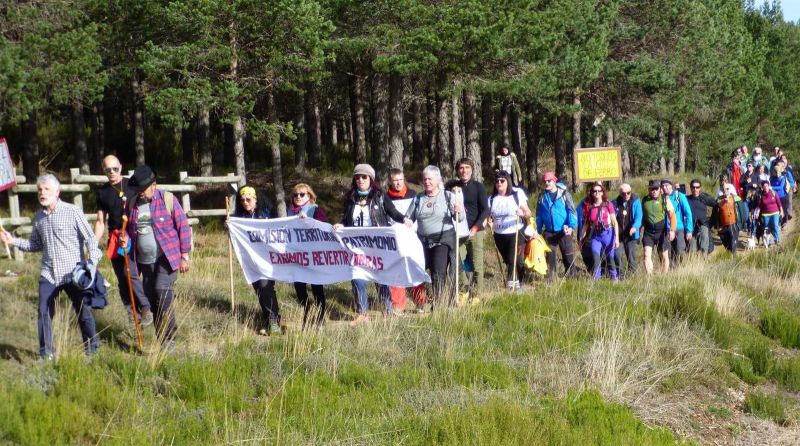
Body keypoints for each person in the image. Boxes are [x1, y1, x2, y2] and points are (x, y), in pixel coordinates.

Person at [1, 175, 102, 360]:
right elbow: (35, 244)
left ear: (57, 192)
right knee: (43, 312)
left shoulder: (72, 211)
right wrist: (12, 241)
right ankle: (46, 354)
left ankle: (92, 349)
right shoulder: (39, 217)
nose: (42, 193)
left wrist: (92, 263)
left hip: (74, 273)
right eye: (40, 189)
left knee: (83, 311)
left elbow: (90, 238)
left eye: (46, 189)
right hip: (49, 273)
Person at [120, 165, 191, 348]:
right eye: (137, 190)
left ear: (153, 185)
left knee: (162, 291)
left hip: (166, 257)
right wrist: (125, 239)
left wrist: (185, 255)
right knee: (152, 299)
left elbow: (183, 226)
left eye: (142, 189)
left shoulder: (167, 199)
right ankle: (163, 340)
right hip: (144, 261)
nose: (140, 193)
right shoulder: (132, 204)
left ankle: (169, 340)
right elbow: (129, 230)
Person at [335, 164, 411, 326]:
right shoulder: (350, 198)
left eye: (364, 177)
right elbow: (346, 218)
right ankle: (362, 313)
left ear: (371, 178)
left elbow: (392, 212)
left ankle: (387, 310)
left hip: (376, 245)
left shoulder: (380, 195)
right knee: (357, 278)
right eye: (357, 177)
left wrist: (404, 219)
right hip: (357, 246)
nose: (360, 180)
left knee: (380, 277)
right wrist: (340, 225)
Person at [93, 155, 153, 327]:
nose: (111, 172)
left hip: (133, 234)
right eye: (107, 170)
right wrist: (93, 243)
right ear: (103, 170)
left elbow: (147, 204)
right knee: (121, 279)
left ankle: (145, 308)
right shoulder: (102, 192)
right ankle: (132, 313)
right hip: (115, 238)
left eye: (115, 169)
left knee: (130, 273)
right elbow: (100, 221)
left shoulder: (131, 185)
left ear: (121, 166)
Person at [405, 166, 463, 305]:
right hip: (423, 241)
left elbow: (459, 219)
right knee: (416, 271)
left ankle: (439, 305)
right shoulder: (418, 198)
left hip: (443, 240)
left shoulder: (448, 196)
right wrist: (406, 221)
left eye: (430, 179)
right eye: (425, 179)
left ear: (438, 180)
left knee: (438, 272)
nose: (427, 182)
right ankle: (420, 302)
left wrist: (458, 212)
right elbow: (409, 217)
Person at [229, 184, 282, 335]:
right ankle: (268, 319)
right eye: (242, 200)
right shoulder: (240, 218)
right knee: (259, 290)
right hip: (251, 261)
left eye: (248, 199)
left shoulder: (266, 213)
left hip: (268, 259)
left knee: (266, 287)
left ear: (256, 200)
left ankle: (274, 322)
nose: (245, 202)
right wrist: (230, 226)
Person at [385, 168, 426, 314]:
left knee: (415, 269)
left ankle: (420, 303)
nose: (398, 183)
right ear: (390, 181)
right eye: (395, 180)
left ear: (404, 180)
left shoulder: (413, 195)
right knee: (396, 271)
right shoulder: (385, 197)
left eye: (400, 180)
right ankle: (398, 305)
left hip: (412, 238)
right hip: (394, 240)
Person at [288, 183, 328, 327]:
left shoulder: (315, 211)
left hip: (314, 256)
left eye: (302, 194)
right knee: (299, 287)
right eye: (295, 195)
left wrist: (308, 222)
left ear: (309, 196)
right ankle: (306, 313)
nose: (298, 197)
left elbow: (324, 228)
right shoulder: (290, 213)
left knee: (317, 287)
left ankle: (320, 318)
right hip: (297, 257)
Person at [487, 170, 532, 289]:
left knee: (514, 261)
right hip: (499, 234)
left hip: (516, 232)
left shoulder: (517, 194)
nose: (499, 183)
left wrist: (522, 213)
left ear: (508, 181)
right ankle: (519, 280)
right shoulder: (491, 199)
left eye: (502, 180)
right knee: (509, 262)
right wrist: (488, 222)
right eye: (497, 181)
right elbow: (487, 216)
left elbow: (528, 213)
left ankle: (513, 288)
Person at [454, 158, 490, 298]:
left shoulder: (478, 187)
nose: (464, 171)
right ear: (458, 171)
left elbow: (485, 210)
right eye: (461, 168)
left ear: (472, 169)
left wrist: (476, 227)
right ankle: (464, 289)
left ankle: (477, 295)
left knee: (477, 265)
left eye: (467, 167)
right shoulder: (454, 187)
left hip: (476, 231)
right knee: (457, 262)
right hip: (458, 233)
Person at [535, 171, 577, 282]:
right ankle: (552, 279)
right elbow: (538, 215)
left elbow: (572, 211)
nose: (547, 183)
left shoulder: (564, 194)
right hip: (549, 231)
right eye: (545, 181)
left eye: (549, 181)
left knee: (568, 256)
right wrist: (538, 231)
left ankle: (572, 278)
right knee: (550, 256)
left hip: (564, 230)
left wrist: (571, 226)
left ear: (554, 181)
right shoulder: (542, 196)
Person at [579, 183, 619, 281]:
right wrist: (581, 239)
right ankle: (596, 281)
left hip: (608, 234)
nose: (597, 193)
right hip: (596, 236)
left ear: (602, 193)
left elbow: (615, 222)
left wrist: (616, 238)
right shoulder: (589, 207)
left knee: (610, 258)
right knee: (596, 258)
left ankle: (614, 279)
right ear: (592, 193)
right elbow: (586, 225)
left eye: (599, 191)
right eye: (594, 191)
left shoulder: (608, 204)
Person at [641, 180, 677, 274]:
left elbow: (672, 215)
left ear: (660, 189)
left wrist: (672, 230)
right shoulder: (644, 200)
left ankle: (663, 277)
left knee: (664, 255)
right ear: (649, 189)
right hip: (648, 232)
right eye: (651, 189)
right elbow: (641, 216)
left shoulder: (665, 199)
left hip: (662, 232)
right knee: (646, 254)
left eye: (656, 189)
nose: (654, 191)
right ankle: (650, 278)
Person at [612, 183, 642, 277]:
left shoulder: (636, 201)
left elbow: (639, 217)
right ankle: (621, 276)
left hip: (631, 235)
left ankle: (633, 276)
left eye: (628, 193)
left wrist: (634, 227)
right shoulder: (615, 203)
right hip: (618, 235)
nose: (626, 195)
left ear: (631, 191)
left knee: (631, 257)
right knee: (617, 255)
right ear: (620, 193)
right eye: (623, 193)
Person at [661, 179, 692, 265]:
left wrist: (689, 230)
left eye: (666, 185)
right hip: (666, 230)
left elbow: (688, 213)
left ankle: (680, 270)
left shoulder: (679, 196)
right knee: (668, 254)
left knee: (680, 251)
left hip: (679, 228)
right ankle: (671, 272)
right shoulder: (661, 198)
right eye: (662, 186)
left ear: (671, 185)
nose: (664, 187)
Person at [711, 184, 748, 254]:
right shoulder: (718, 200)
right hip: (723, 227)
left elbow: (742, 212)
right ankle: (730, 257)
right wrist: (716, 226)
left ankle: (733, 260)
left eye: (727, 189)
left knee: (733, 244)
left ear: (730, 189)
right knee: (727, 246)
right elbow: (714, 214)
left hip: (734, 225)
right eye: (723, 189)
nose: (725, 191)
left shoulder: (736, 199)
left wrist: (742, 224)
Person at [686, 179, 716, 256]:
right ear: (690, 188)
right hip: (691, 227)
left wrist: (712, 220)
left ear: (700, 188)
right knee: (692, 249)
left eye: (697, 187)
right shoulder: (686, 199)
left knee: (704, 246)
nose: (695, 189)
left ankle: (704, 261)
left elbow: (716, 204)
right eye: (693, 187)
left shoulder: (704, 198)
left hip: (703, 224)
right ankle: (693, 265)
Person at [755, 179, 783, 246]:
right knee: (767, 228)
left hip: (775, 212)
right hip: (765, 214)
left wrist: (781, 211)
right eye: (764, 186)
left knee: (775, 226)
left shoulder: (773, 192)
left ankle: (777, 240)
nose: (765, 187)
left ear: (769, 186)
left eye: (766, 186)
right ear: (762, 187)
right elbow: (759, 206)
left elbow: (779, 203)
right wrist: (757, 212)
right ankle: (768, 242)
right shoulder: (761, 195)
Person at [769, 160, 792, 228]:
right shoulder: (773, 178)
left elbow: (780, 187)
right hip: (776, 197)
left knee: (784, 210)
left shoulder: (783, 178)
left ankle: (784, 223)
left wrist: (771, 187)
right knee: (777, 210)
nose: (773, 173)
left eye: (774, 171)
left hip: (783, 197)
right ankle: (779, 222)